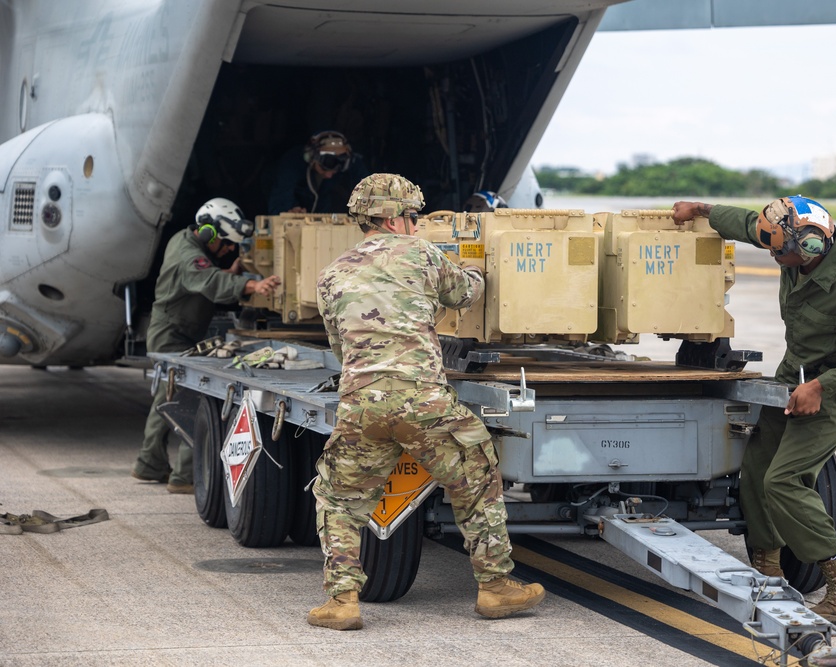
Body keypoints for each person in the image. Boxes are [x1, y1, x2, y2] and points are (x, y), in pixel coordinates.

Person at [310, 173, 544, 630]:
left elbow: (341, 349)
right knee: (476, 478)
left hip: (362, 405)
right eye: (414, 217)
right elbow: (463, 294)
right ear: (396, 218)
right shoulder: (421, 253)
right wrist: (478, 273)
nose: (416, 225)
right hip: (424, 403)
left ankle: (342, 601)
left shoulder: (331, 274)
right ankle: (495, 588)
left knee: (338, 498)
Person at [671, 196, 836, 622]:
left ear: (811, 247)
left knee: (786, 479)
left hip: (835, 385)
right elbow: (748, 225)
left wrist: (821, 385)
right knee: (757, 467)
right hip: (795, 374)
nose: (775, 257)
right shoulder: (793, 242)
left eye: (781, 252)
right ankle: (768, 567)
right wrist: (700, 210)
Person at [132, 198, 281, 494]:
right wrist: (251, 286)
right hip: (172, 335)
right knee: (191, 400)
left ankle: (150, 464)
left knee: (166, 398)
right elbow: (204, 279)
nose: (228, 251)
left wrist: (232, 275)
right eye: (226, 244)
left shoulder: (184, 241)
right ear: (208, 233)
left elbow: (203, 279)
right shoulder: (190, 255)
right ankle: (184, 477)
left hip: (174, 331)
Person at [267, 130, 369, 214]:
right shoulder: (292, 162)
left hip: (324, 204)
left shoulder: (352, 162)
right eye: (325, 167)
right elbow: (279, 201)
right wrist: (288, 212)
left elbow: (368, 187)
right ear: (311, 157)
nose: (329, 175)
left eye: (336, 169)